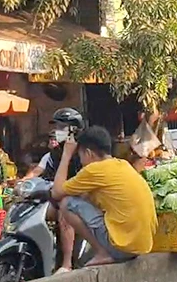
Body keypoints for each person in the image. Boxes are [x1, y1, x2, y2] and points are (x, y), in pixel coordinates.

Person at [50, 126, 157, 266]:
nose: (81, 162)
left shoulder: (93, 170)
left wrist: (66, 155)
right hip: (142, 247)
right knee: (84, 198)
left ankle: (102, 252)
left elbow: (56, 192)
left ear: (88, 153)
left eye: (80, 156)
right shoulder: (122, 164)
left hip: (121, 249)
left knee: (67, 203)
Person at [25, 107, 85, 273]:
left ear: (73, 130)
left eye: (61, 127)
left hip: (83, 197)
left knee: (64, 211)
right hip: (60, 194)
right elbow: (45, 174)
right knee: (35, 210)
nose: (56, 131)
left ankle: (66, 264)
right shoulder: (55, 153)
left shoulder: (83, 151)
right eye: (56, 126)